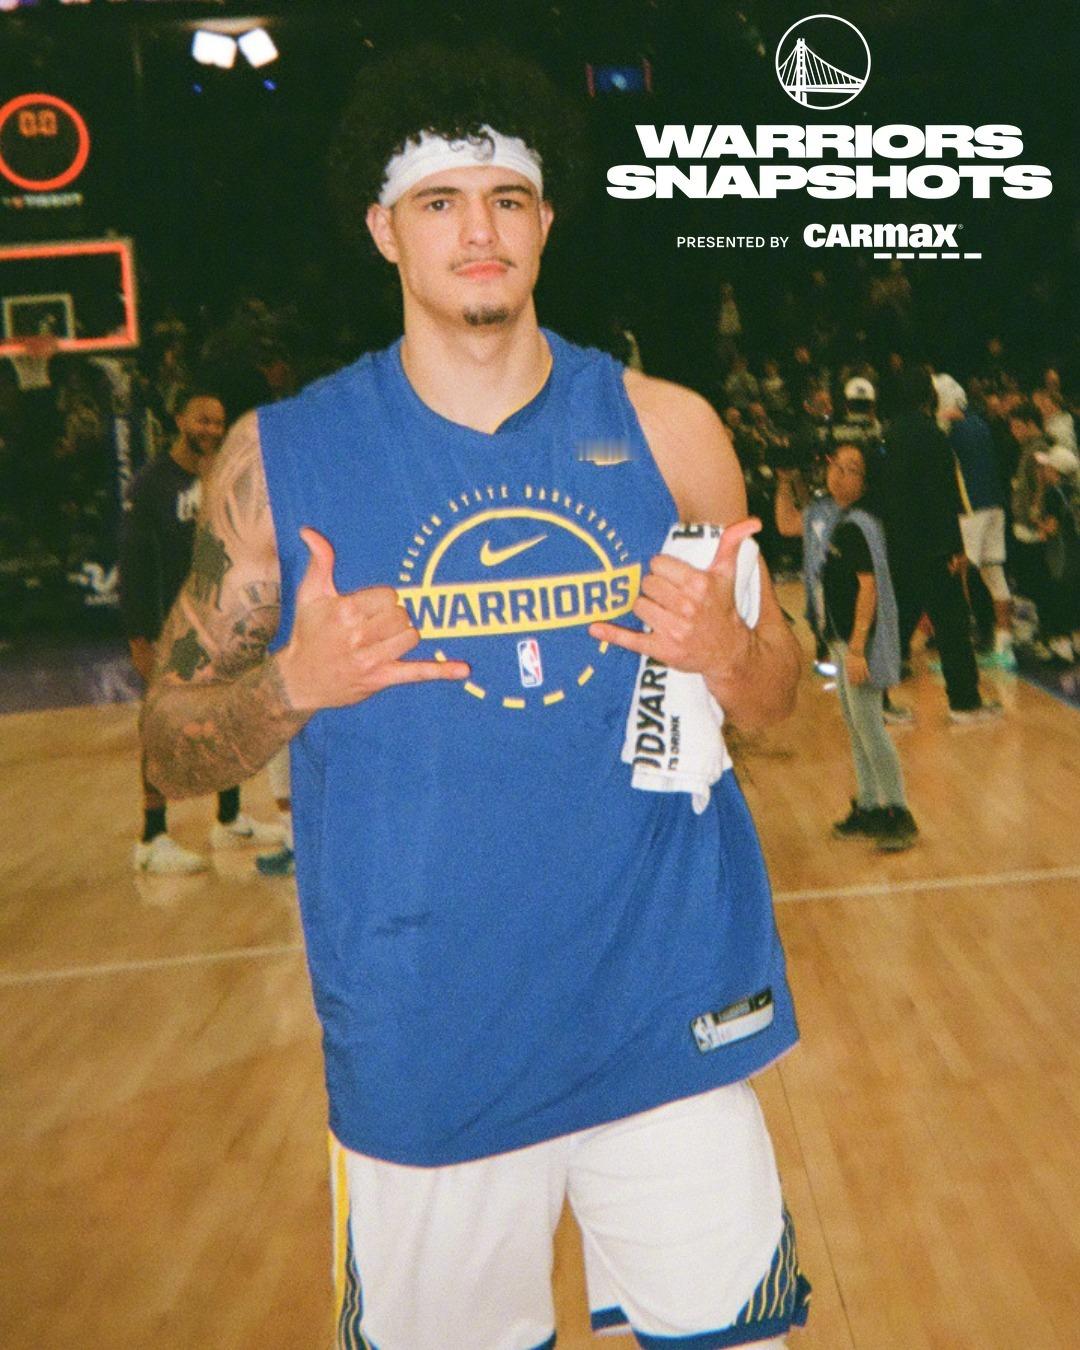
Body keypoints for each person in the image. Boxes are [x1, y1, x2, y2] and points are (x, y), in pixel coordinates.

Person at [140, 45, 809, 1350]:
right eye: (439, 201)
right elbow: (167, 744)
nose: (479, 229)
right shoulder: (279, 459)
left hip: (668, 1004)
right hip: (427, 1040)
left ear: (546, 221)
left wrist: (728, 655)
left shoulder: (671, 429)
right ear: (383, 230)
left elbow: (780, 695)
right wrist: (293, 682)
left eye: (506, 198)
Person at [119, 386, 285, 873]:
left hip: (220, 620)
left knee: (227, 716)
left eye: (217, 422)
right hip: (172, 628)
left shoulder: (222, 478)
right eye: (202, 420)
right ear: (179, 421)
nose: (211, 430)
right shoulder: (151, 485)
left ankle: (228, 819)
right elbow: (133, 565)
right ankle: (152, 837)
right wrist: (140, 637)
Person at [775, 446, 918, 851]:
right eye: (836, 466)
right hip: (840, 641)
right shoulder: (831, 517)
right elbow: (787, 523)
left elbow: (868, 589)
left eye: (851, 469)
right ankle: (870, 805)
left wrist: (857, 648)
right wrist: (785, 482)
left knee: (870, 726)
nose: (839, 474)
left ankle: (899, 811)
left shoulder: (860, 526)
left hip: (860, 644)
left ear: (866, 482)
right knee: (856, 727)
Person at [879, 366, 1002, 724]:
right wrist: (956, 546)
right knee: (952, 625)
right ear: (928, 396)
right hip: (933, 547)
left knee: (894, 625)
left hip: (895, 545)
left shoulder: (887, 435)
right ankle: (964, 702)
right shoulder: (932, 437)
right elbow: (943, 496)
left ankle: (876, 703)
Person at [936, 376, 1017, 669]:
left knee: (960, 572)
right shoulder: (979, 423)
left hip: (972, 507)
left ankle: (961, 653)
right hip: (995, 505)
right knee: (994, 574)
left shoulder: (949, 426)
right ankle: (1004, 648)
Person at [1032, 445, 1080, 664]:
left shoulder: (1053, 493)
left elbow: (1051, 528)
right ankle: (1076, 646)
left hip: (1060, 555)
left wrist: (1037, 521)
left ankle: (1063, 652)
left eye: (1047, 466)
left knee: (1059, 600)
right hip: (1075, 550)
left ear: (1055, 469)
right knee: (1074, 599)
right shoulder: (1075, 490)